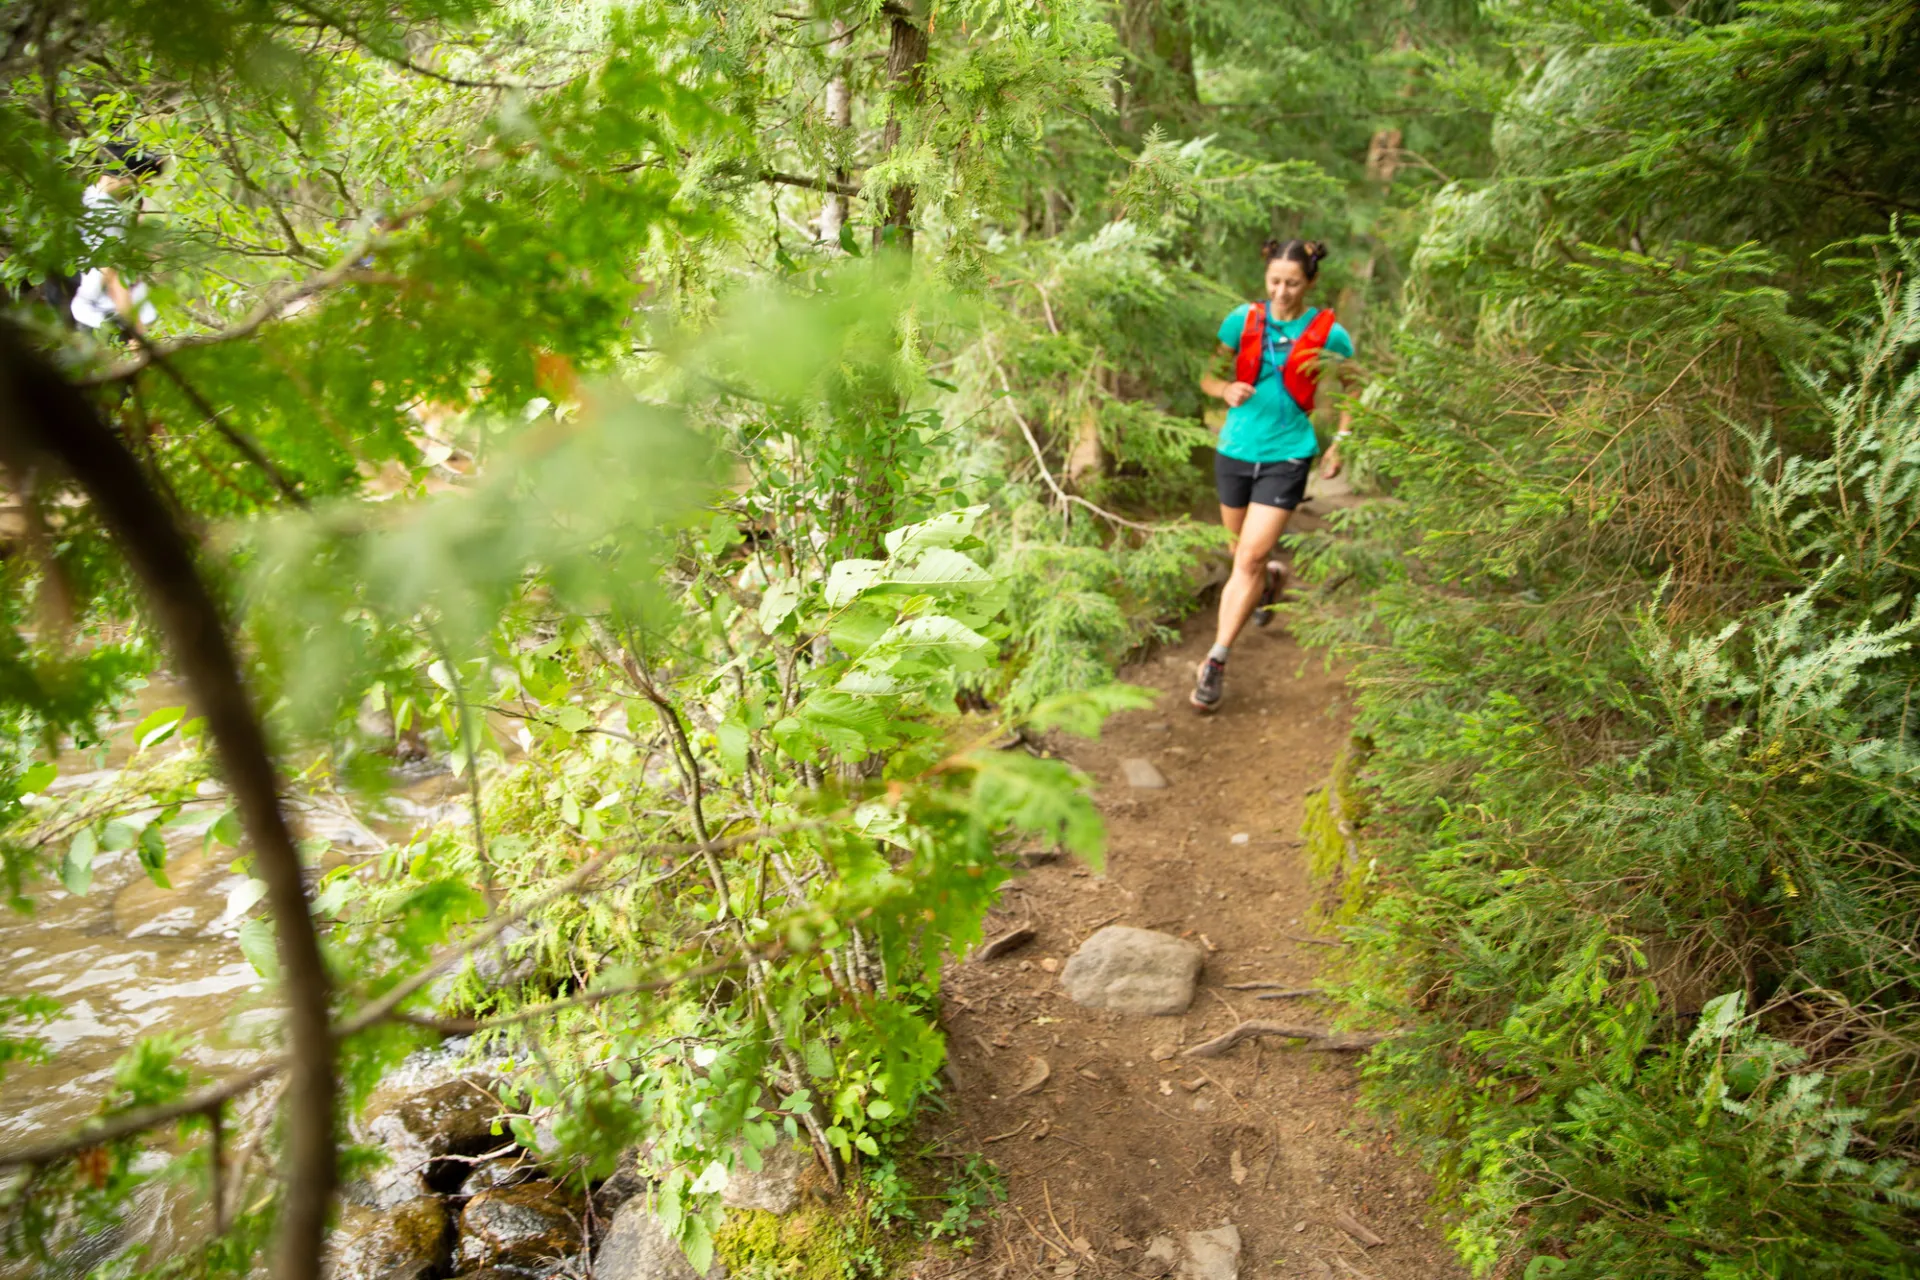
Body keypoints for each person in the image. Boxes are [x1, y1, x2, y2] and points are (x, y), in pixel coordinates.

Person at [1190, 238, 1356, 713]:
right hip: (1236, 450)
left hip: (1288, 455)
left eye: (1293, 283)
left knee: (1248, 558)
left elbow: (1353, 386)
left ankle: (1215, 661)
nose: (1282, 292)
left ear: (1311, 282)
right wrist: (1225, 388)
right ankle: (1272, 580)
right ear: (1266, 277)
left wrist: (1341, 441)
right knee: (1239, 553)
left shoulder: (1329, 332)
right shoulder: (1241, 321)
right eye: (1275, 282)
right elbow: (1208, 375)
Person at [70, 146, 164, 336]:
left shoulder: (93, 196)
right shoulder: (105, 212)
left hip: (115, 312)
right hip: (105, 317)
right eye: (143, 179)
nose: (147, 188)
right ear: (122, 175)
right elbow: (113, 277)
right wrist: (137, 335)